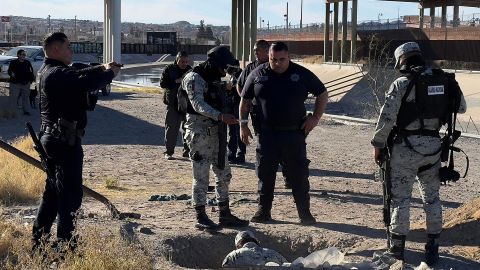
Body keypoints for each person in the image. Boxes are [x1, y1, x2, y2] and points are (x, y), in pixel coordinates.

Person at [371, 42, 466, 266]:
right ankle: (432, 248)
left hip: (405, 149)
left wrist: (377, 144)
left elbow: (387, 118)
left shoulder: (402, 83)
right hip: (433, 149)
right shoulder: (446, 80)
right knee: (432, 199)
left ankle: (396, 251)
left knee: (400, 199)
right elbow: (460, 107)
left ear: (401, 60)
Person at [32, 32, 121, 252]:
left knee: (53, 193)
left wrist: (101, 66)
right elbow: (86, 82)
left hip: (54, 139)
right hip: (63, 142)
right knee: (70, 196)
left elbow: (81, 69)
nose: (71, 50)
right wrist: (110, 73)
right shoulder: (56, 74)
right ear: (54, 50)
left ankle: (39, 244)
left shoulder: (48, 70)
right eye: (68, 47)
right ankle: (66, 247)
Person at [239, 41, 328, 225]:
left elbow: (322, 92)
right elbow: (245, 100)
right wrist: (243, 125)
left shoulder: (301, 73)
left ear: (289, 57)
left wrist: (316, 118)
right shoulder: (258, 74)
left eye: (282, 59)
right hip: (266, 135)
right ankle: (263, 212)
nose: (277, 63)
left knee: (299, 176)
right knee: (265, 175)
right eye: (273, 60)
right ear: (269, 57)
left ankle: (305, 214)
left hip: (294, 134)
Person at [180, 45, 249, 230]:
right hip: (199, 130)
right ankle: (200, 215)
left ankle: (224, 213)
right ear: (213, 63)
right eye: (222, 67)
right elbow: (197, 104)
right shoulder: (194, 77)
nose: (222, 71)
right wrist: (220, 116)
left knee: (224, 172)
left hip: (217, 130)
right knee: (201, 175)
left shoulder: (214, 77)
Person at [237, 39, 291, 189]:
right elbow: (239, 83)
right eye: (254, 50)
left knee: (284, 146)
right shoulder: (251, 68)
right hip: (258, 114)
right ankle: (263, 179)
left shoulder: (277, 67)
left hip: (280, 114)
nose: (255, 52)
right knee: (263, 146)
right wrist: (245, 97)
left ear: (267, 51)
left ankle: (288, 177)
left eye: (258, 50)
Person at [160, 51, 191, 160]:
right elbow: (162, 84)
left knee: (188, 128)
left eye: (186, 62)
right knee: (171, 129)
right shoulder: (168, 69)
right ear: (177, 60)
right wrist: (176, 81)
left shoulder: (190, 70)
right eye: (182, 61)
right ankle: (168, 152)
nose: (184, 64)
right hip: (172, 104)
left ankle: (187, 151)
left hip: (186, 104)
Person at [222, 230, 288, 267]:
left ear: (237, 245)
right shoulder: (272, 253)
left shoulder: (233, 256)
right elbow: (289, 267)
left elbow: (224, 267)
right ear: (255, 241)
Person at [225, 62, 245, 164]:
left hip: (239, 106)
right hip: (231, 106)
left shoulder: (242, 75)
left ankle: (241, 154)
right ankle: (231, 153)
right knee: (232, 131)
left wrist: (232, 88)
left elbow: (243, 92)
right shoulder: (230, 76)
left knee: (239, 131)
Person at [7, 49, 35, 116]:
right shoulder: (13, 62)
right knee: (13, 98)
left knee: (25, 98)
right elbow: (9, 71)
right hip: (15, 83)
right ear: (18, 55)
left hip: (25, 83)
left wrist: (32, 84)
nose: (24, 56)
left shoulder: (27, 62)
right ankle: (12, 112)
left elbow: (31, 72)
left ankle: (26, 111)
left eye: (24, 54)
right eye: (22, 54)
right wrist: (11, 74)